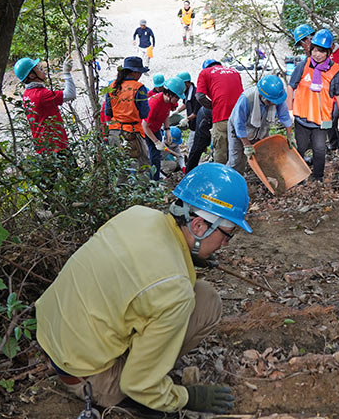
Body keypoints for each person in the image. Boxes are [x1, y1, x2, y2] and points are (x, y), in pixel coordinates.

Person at [36, 164, 250, 418]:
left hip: (54, 338)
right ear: (199, 226)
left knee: (202, 296)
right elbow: (137, 384)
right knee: (206, 305)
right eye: (228, 234)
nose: (225, 243)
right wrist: (186, 397)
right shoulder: (173, 288)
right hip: (85, 375)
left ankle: (138, 361)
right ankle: (129, 394)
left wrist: (189, 256)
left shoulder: (138, 215)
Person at [288, 29, 339, 182]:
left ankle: (317, 177)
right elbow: (291, 86)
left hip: (321, 119)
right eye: (314, 49)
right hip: (302, 117)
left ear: (328, 52)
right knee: (300, 148)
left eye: (321, 51)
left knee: (319, 150)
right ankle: (299, 176)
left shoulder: (334, 70)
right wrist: (290, 110)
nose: (317, 54)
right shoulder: (304, 65)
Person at [227, 75, 293, 174]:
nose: (275, 104)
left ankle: (267, 180)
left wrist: (290, 135)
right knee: (236, 160)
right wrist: (247, 145)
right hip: (238, 130)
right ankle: (230, 180)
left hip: (261, 129)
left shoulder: (277, 98)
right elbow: (239, 124)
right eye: (272, 102)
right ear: (263, 97)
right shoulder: (247, 99)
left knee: (263, 156)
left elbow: (285, 117)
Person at [14, 56, 76, 154]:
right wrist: (67, 73)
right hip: (57, 147)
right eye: (38, 68)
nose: (42, 69)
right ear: (31, 76)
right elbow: (70, 94)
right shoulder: (42, 95)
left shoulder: (27, 94)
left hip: (43, 148)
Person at [104, 57, 151, 183]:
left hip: (114, 132)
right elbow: (144, 113)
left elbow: (107, 111)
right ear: (135, 73)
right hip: (132, 133)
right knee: (143, 166)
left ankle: (120, 195)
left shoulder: (112, 86)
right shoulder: (139, 88)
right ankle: (142, 195)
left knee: (119, 168)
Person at [195, 60, 243, 165]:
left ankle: (220, 178)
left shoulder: (205, 73)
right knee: (237, 151)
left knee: (221, 151)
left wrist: (214, 106)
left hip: (222, 115)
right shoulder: (234, 71)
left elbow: (200, 96)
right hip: (240, 116)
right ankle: (236, 178)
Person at [142, 77, 184, 182]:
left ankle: (155, 178)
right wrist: (156, 141)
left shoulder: (169, 101)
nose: (177, 100)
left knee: (157, 155)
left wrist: (167, 129)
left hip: (156, 128)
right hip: (146, 131)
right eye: (177, 98)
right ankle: (153, 182)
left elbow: (166, 113)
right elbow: (144, 125)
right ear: (169, 94)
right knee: (153, 156)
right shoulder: (154, 104)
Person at [185, 60, 219, 172]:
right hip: (215, 113)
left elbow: (200, 96)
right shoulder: (224, 74)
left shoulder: (207, 75)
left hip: (208, 112)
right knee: (216, 143)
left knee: (198, 146)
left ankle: (190, 172)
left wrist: (212, 106)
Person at [175, 71, 199, 152]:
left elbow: (196, 112)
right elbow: (186, 104)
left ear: (187, 83)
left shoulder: (195, 94)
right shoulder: (186, 92)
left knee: (192, 145)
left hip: (197, 124)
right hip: (192, 123)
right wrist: (177, 111)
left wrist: (186, 119)